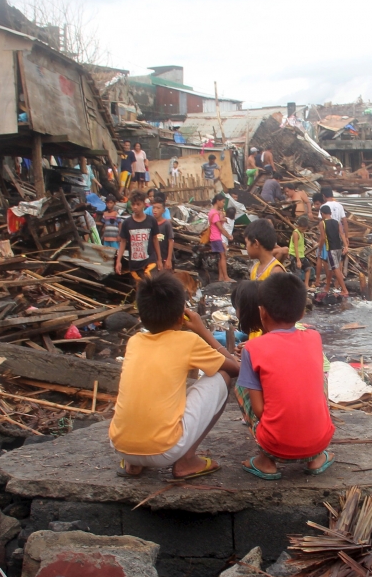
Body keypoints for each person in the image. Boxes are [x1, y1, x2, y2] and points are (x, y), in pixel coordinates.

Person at [110, 272, 238, 480]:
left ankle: (133, 464)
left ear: (141, 316)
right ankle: (186, 461)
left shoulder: (134, 341)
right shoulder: (187, 341)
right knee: (221, 377)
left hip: (120, 446)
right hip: (165, 451)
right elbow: (235, 369)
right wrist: (204, 332)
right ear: (182, 316)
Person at [235, 273, 334, 480]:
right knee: (316, 380)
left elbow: (259, 410)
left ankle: (266, 462)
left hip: (276, 445)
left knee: (242, 385)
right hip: (320, 439)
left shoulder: (252, 348)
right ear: (301, 314)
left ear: (262, 312)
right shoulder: (314, 338)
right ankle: (315, 459)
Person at [116, 197, 156, 279]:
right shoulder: (127, 223)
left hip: (150, 262)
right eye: (133, 204)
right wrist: (118, 261)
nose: (135, 207)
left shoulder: (151, 221)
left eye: (138, 204)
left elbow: (155, 239)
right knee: (138, 288)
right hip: (135, 264)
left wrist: (159, 259)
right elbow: (123, 242)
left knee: (152, 288)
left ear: (144, 205)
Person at [318, 204, 349, 297]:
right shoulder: (337, 222)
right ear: (330, 213)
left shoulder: (322, 223)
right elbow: (342, 234)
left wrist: (320, 249)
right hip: (339, 247)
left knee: (335, 269)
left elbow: (323, 238)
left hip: (331, 249)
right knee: (332, 268)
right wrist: (346, 246)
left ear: (322, 214)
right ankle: (327, 287)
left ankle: (344, 290)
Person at [208, 193, 232, 282]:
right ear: (217, 201)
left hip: (216, 237)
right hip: (216, 237)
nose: (223, 204)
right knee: (223, 256)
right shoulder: (214, 213)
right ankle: (225, 277)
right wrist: (228, 236)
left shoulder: (213, 212)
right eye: (223, 202)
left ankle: (221, 277)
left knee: (221, 256)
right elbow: (220, 228)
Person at [150, 198, 175, 271]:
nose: (155, 210)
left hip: (166, 257)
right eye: (154, 208)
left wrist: (169, 259)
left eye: (158, 208)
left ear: (163, 210)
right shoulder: (151, 224)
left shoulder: (166, 224)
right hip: (155, 258)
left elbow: (171, 241)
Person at [289, 215, 310, 286]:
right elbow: (296, 247)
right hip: (295, 255)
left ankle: (306, 285)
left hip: (301, 255)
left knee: (308, 268)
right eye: (302, 229)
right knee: (296, 273)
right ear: (298, 226)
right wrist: (298, 260)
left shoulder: (302, 233)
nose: (303, 230)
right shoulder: (296, 233)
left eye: (305, 229)